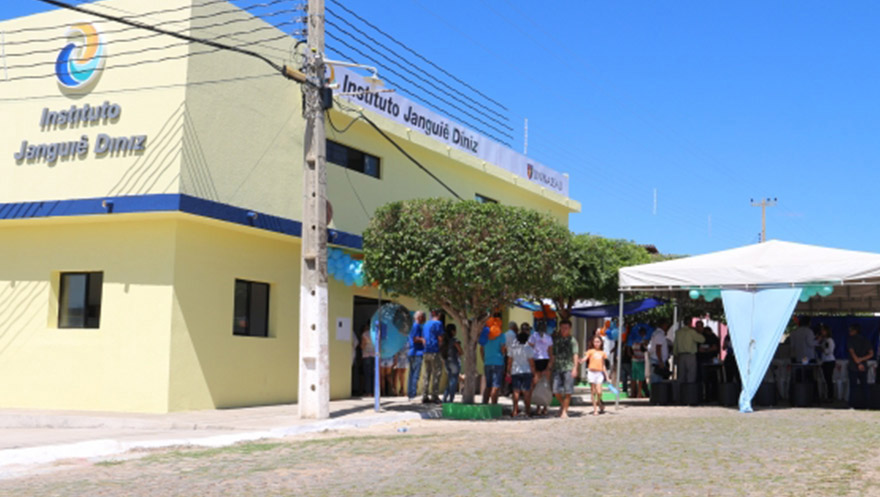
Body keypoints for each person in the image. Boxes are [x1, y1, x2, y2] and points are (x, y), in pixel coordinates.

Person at [549, 319, 578, 418]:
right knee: (555, 390)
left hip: (568, 367)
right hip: (558, 367)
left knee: (568, 391)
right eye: (562, 328)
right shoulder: (557, 340)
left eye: (566, 328)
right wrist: (550, 365)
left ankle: (564, 411)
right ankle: (563, 405)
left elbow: (575, 354)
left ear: (570, 329)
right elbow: (554, 354)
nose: (563, 330)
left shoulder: (572, 340)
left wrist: (575, 368)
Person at [506, 323, 536, 417]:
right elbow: (531, 362)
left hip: (515, 371)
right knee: (527, 391)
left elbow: (509, 361)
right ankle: (527, 410)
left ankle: (515, 410)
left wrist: (508, 371)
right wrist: (534, 372)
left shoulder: (513, 348)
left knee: (516, 391)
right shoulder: (528, 349)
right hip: (526, 371)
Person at [527, 321, 552, 415]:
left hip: (543, 360)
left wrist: (549, 364)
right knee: (536, 383)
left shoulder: (547, 337)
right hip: (537, 360)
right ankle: (538, 405)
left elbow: (550, 351)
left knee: (545, 384)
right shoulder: (534, 336)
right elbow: (529, 347)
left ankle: (544, 406)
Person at [421, 310, 445, 404]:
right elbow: (440, 337)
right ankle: (434, 396)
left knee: (427, 374)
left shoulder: (426, 324)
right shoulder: (438, 323)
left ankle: (424, 395)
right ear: (438, 315)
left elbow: (423, 338)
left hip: (426, 351)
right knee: (437, 373)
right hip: (434, 350)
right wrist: (441, 347)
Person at [480, 321, 506, 404]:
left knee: (488, 385)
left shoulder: (485, 335)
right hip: (498, 363)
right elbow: (503, 349)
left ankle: (485, 404)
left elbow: (481, 349)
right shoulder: (501, 336)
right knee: (496, 386)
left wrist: (484, 359)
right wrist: (503, 355)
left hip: (487, 363)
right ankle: (494, 405)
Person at [581, 334, 607, 416]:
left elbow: (603, 365)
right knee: (593, 391)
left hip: (599, 373)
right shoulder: (590, 351)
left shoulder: (602, 353)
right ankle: (595, 409)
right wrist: (581, 360)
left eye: (598, 342)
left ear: (601, 343)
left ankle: (599, 401)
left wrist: (607, 376)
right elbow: (585, 358)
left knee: (599, 391)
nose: (596, 343)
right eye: (595, 342)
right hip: (591, 372)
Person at [847, 323, 873, 408]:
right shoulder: (865, 340)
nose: (849, 331)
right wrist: (862, 360)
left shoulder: (850, 340)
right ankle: (867, 405)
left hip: (853, 366)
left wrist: (858, 362)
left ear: (855, 331)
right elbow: (871, 354)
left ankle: (852, 405)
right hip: (863, 366)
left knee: (853, 386)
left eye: (851, 330)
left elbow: (852, 353)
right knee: (864, 386)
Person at [673, 318, 705, 384]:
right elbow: (702, 339)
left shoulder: (678, 332)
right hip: (690, 355)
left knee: (681, 376)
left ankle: (680, 392)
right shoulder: (691, 331)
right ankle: (689, 392)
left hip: (681, 356)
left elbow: (675, 345)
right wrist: (697, 331)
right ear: (690, 323)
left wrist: (675, 354)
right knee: (691, 376)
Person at [440, 323, 463, 403]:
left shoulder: (444, 341)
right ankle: (450, 399)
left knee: (450, 381)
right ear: (453, 331)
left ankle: (445, 398)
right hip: (454, 361)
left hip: (447, 362)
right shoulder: (454, 341)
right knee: (453, 381)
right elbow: (461, 351)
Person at [406, 311, 426, 401]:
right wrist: (423, 340)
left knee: (412, 374)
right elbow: (415, 339)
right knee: (415, 374)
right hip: (417, 352)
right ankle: (412, 393)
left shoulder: (413, 326)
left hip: (411, 352)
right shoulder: (417, 326)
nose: (425, 319)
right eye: (424, 317)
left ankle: (410, 393)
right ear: (419, 317)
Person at [697, 324, 720, 400]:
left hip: (708, 360)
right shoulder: (700, 337)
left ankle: (709, 396)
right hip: (707, 360)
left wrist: (706, 350)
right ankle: (711, 396)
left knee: (708, 379)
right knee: (708, 379)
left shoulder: (712, 337)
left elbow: (715, 348)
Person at [817, 323, 835, 402]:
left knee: (829, 379)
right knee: (826, 379)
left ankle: (830, 396)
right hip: (824, 361)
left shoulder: (829, 340)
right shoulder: (824, 340)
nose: (822, 332)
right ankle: (827, 395)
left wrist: (822, 349)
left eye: (823, 330)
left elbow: (829, 351)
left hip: (829, 361)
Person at [630, 326, 648, 398]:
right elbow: (645, 350)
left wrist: (632, 355)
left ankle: (633, 393)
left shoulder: (634, 341)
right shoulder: (643, 341)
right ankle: (639, 393)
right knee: (640, 378)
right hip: (640, 360)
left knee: (634, 378)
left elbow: (631, 349)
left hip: (634, 360)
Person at [502, 321, 518, 396]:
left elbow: (503, 346)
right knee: (512, 373)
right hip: (513, 355)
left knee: (506, 372)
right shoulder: (515, 335)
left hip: (506, 355)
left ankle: (505, 389)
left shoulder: (505, 334)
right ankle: (509, 389)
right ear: (514, 327)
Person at [360, 324, 376, 396]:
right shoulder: (376, 334)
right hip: (374, 355)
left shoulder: (365, 334)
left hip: (366, 356)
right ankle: (373, 392)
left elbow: (362, 346)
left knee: (367, 375)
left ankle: (368, 392)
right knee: (373, 374)